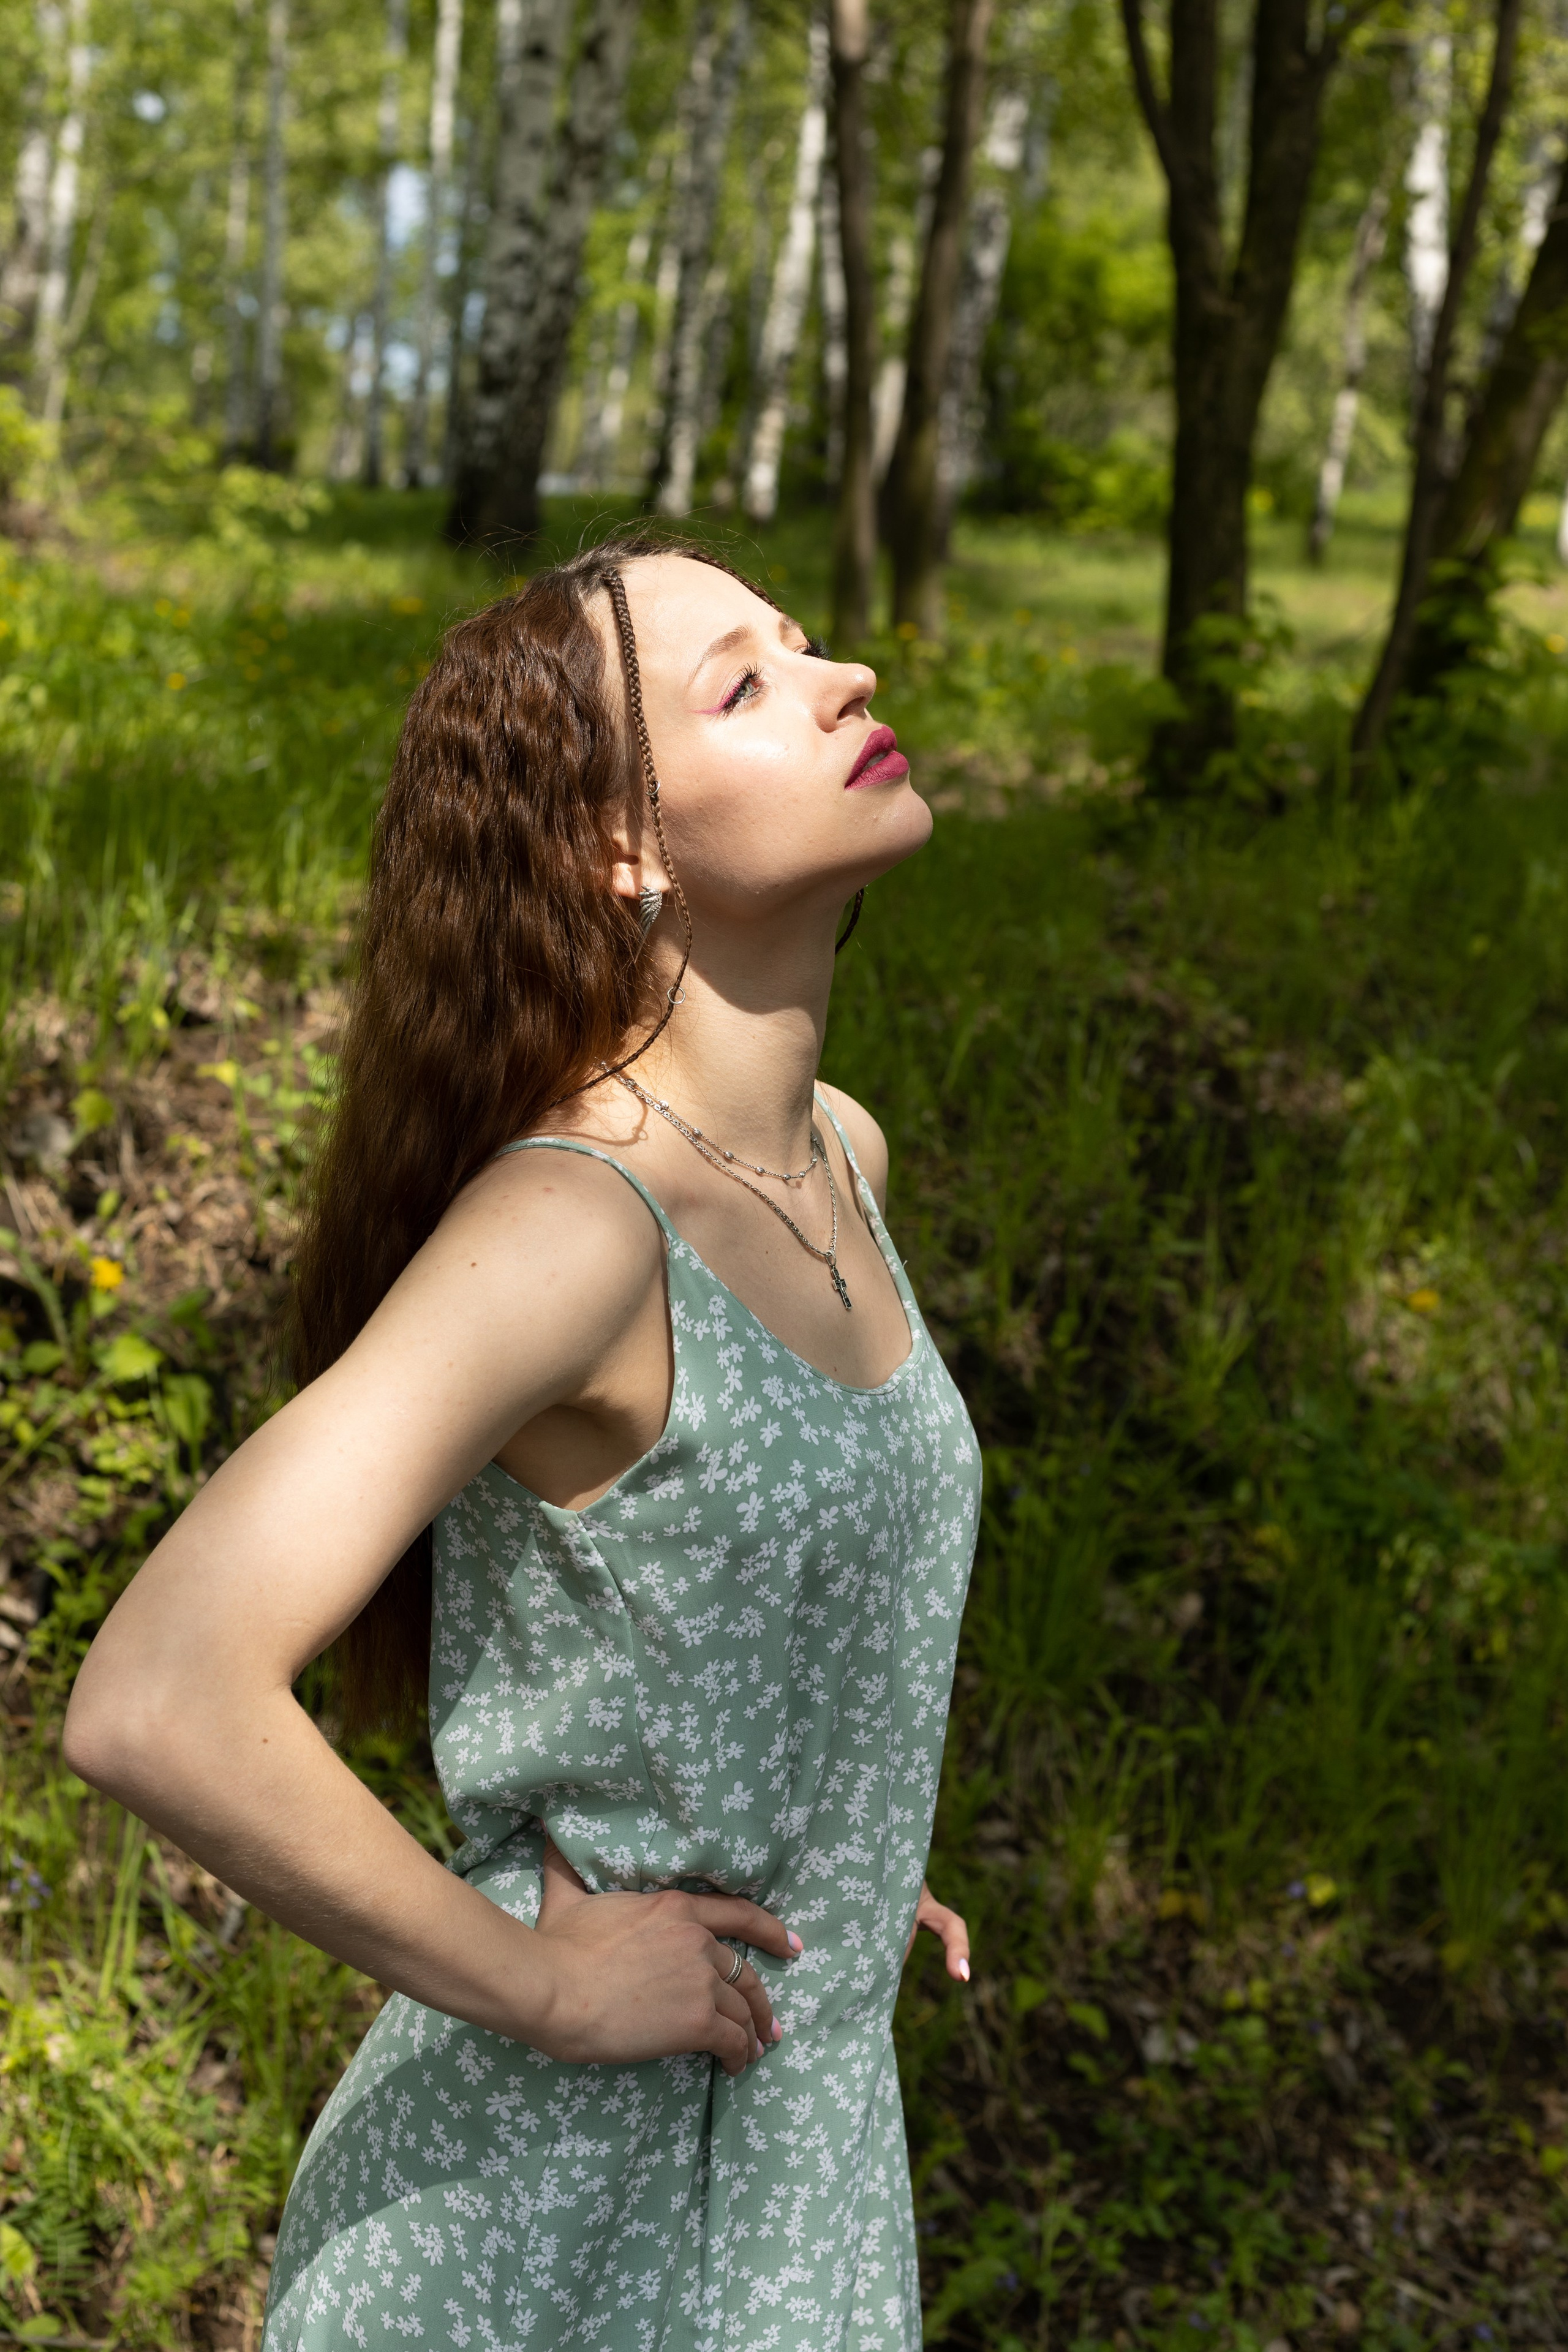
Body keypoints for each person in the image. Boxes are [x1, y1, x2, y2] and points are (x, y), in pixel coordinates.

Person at [64, 529, 981, 2351]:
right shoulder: (579, 1226)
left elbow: (739, 1584)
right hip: (548, 2222)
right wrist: (546, 1994)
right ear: (615, 851)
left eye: (803, 647)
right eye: (745, 684)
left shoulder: (840, 1162)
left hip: (787, 2167)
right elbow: (159, 1693)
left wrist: (835, 1822)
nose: (845, 682)